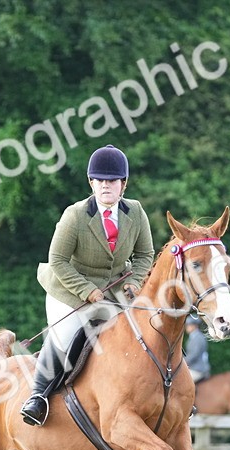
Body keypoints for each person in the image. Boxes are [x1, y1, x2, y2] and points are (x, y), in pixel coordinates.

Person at [21, 144, 156, 425]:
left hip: (115, 288)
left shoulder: (136, 212)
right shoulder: (75, 215)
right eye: (100, 180)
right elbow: (58, 260)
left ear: (123, 184)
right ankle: (38, 396)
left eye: (112, 180)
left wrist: (135, 282)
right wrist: (87, 290)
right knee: (65, 335)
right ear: (91, 182)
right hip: (69, 288)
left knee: (145, 330)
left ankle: (164, 392)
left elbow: (145, 255)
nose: (106, 185)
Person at [184, 317, 211, 383]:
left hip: (198, 369)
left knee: (181, 381)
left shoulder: (198, 337)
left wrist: (183, 362)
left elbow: (194, 354)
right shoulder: (193, 336)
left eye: (189, 325)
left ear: (195, 326)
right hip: (194, 367)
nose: (187, 327)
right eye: (186, 325)